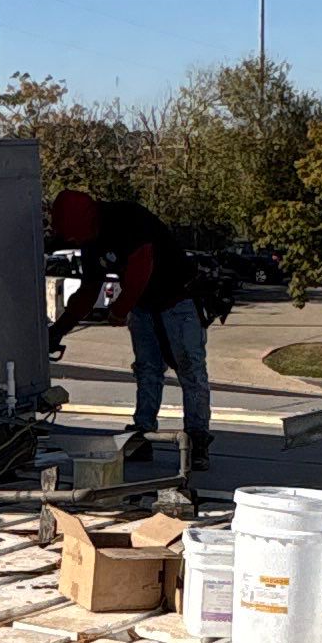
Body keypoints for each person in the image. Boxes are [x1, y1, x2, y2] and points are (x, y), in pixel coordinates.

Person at [44, 186, 214, 473]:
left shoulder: (128, 219)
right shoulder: (91, 241)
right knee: (147, 370)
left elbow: (141, 268)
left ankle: (197, 440)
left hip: (178, 299)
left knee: (191, 370)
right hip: (144, 306)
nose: (76, 241)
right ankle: (142, 433)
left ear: (88, 219)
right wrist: (59, 330)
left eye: (76, 235)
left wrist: (120, 309)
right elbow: (88, 291)